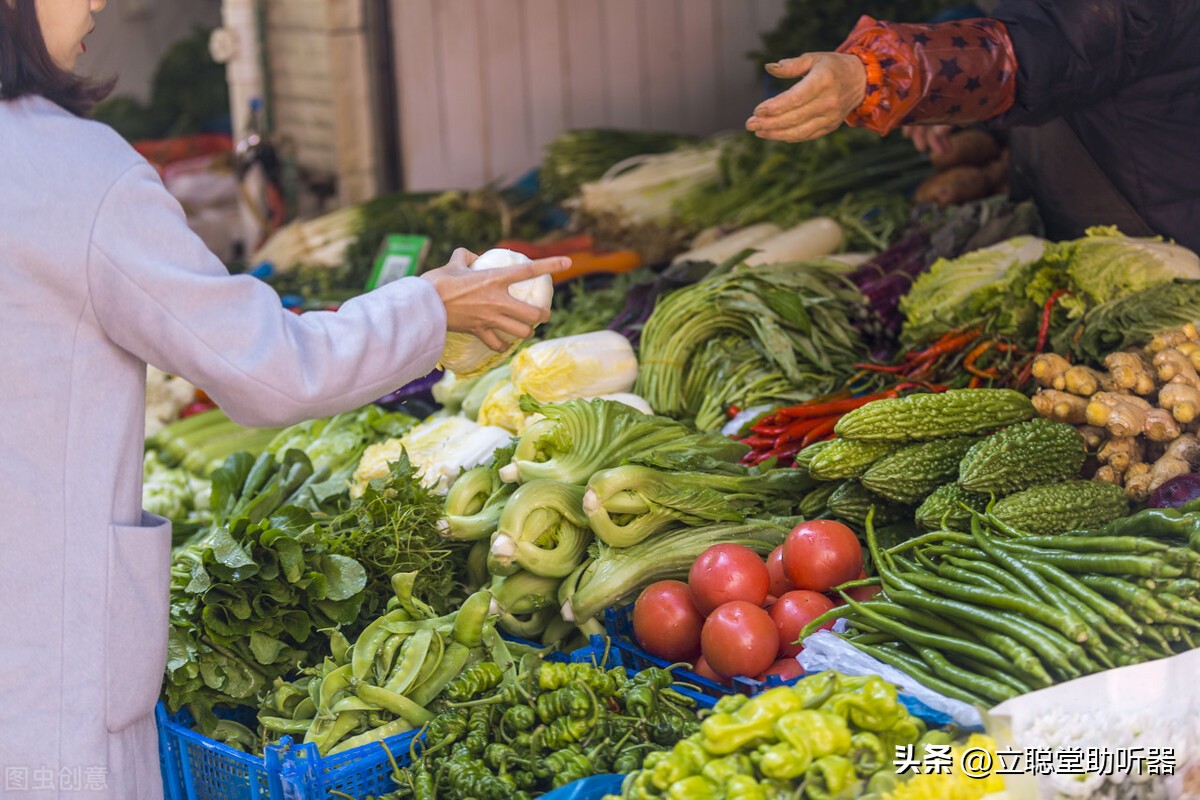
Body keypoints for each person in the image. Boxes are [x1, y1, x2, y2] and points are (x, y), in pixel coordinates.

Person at [0, 1, 566, 798]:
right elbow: (268, 369)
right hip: (41, 695)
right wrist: (431, 307)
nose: (96, 1)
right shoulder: (70, 171)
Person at [744, 0, 1200, 252]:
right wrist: (959, 107)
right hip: (1090, 209)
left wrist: (879, 73)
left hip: (1152, 226)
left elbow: (1047, 49)